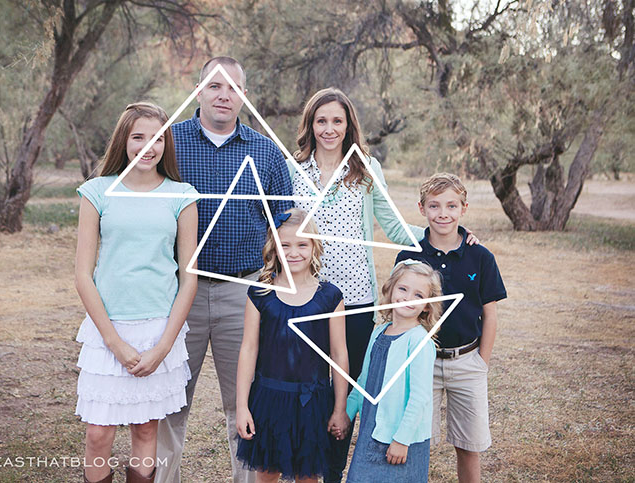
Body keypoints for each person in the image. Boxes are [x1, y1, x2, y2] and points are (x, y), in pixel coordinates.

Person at [290, 87, 480, 482]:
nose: (329, 128)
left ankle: (334, 472)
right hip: (307, 295)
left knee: (347, 390)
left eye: (337, 121)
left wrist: (447, 234)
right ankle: (305, 469)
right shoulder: (294, 168)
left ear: (348, 126)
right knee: (307, 390)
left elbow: (393, 225)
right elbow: (283, 228)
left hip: (355, 299)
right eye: (321, 120)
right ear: (310, 123)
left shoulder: (364, 168)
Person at [156, 57, 293, 483]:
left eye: (233, 88)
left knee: (244, 403)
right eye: (215, 86)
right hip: (181, 291)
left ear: (243, 97)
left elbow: (283, 224)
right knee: (169, 403)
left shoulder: (266, 151)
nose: (223, 94)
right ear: (198, 91)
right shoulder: (170, 143)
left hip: (245, 292)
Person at [74, 103, 199, 482]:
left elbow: (188, 278)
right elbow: (83, 275)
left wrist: (162, 347)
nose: (148, 146)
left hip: (157, 330)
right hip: (108, 331)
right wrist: (114, 344)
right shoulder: (97, 192)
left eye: (158, 138)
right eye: (138, 137)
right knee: (98, 433)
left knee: (146, 430)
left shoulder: (182, 196)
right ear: (123, 141)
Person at [395, 173, 507, 483]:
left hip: (467, 360)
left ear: (464, 208)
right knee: (415, 442)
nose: (443, 214)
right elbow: (399, 314)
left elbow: (490, 313)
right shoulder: (409, 257)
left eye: (451, 206)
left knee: (468, 445)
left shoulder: (480, 256)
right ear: (422, 209)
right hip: (421, 362)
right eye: (434, 206)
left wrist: (481, 361)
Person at [235, 208, 349, 481]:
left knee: (308, 476)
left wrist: (339, 407)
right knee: (267, 472)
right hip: (269, 399)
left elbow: (339, 353)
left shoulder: (330, 297)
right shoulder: (260, 294)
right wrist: (241, 406)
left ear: (314, 247)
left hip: (313, 402)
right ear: (273, 247)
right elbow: (248, 349)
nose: (293, 252)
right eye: (284, 245)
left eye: (302, 244)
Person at [342, 259, 442, 482]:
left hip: (401, 440)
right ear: (390, 289)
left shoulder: (418, 342)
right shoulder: (379, 332)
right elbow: (364, 380)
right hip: (372, 432)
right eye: (403, 289)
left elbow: (420, 397)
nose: (407, 298)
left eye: (418, 295)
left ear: (427, 305)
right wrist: (346, 415)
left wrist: (402, 440)